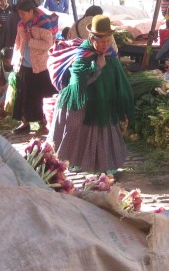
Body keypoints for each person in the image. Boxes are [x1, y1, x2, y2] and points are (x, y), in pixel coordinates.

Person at [48, 15, 134, 173]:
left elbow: (117, 77)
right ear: (91, 38)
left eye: (108, 41)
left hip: (103, 102)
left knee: (104, 133)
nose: (105, 45)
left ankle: (106, 166)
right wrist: (97, 68)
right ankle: (75, 161)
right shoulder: (83, 55)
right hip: (81, 104)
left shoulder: (110, 54)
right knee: (79, 133)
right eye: (101, 41)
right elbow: (78, 83)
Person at [11, 0, 58, 135]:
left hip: (40, 66)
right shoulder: (21, 24)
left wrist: (30, 41)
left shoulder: (44, 24)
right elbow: (18, 41)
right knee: (23, 95)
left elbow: (48, 44)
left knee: (42, 94)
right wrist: (16, 57)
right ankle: (25, 123)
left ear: (31, 11)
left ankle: (44, 122)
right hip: (24, 64)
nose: (21, 16)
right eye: (19, 13)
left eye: (23, 13)